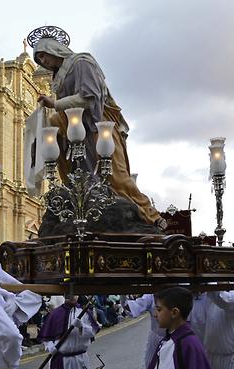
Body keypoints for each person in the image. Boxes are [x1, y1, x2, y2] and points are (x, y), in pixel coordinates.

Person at [32, 34, 163, 226]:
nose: (43, 62)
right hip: (75, 128)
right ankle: (76, 194)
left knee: (117, 177)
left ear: (53, 48)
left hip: (99, 124)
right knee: (54, 131)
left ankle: (151, 217)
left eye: (43, 55)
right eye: (39, 59)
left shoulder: (82, 62)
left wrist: (56, 103)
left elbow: (91, 97)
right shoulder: (59, 76)